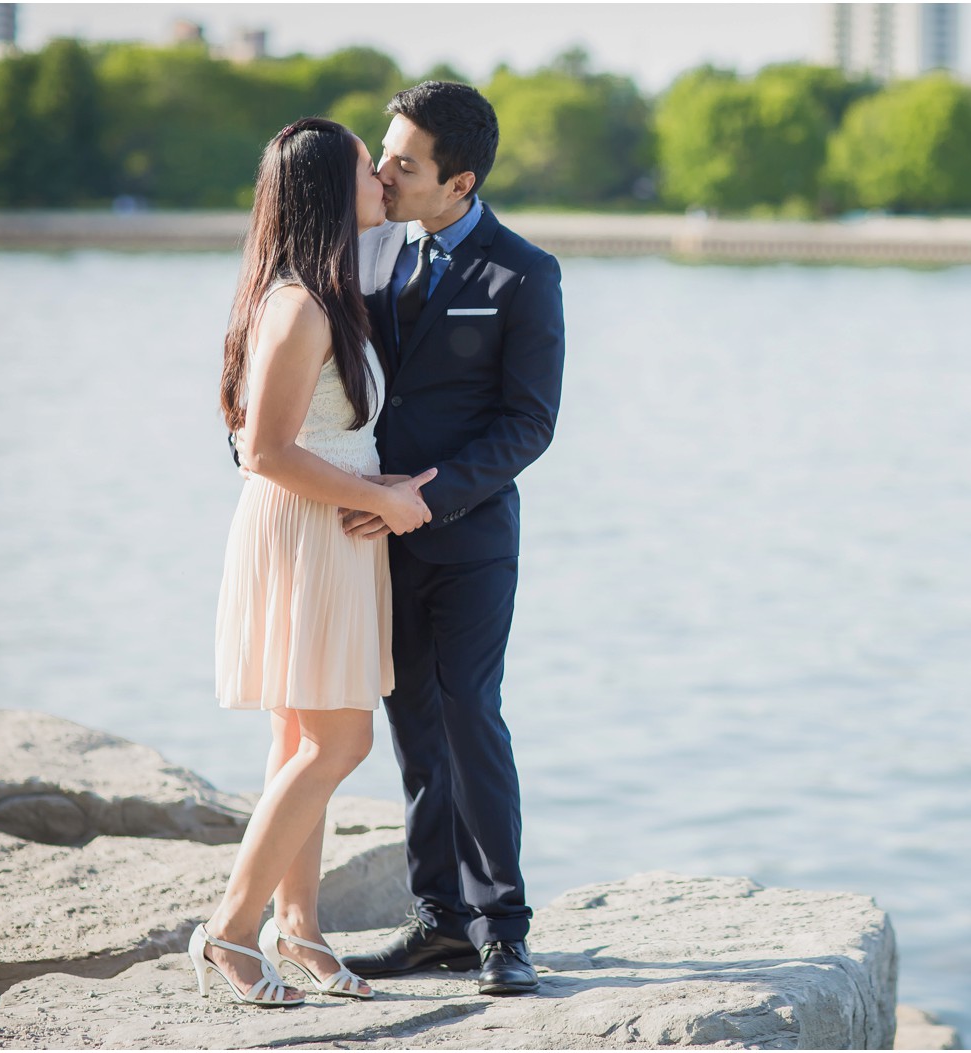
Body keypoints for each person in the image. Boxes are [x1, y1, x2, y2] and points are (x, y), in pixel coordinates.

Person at [196, 117, 439, 1007]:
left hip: (323, 525)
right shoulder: (299, 304)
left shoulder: (316, 293)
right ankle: (230, 927)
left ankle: (299, 930)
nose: (385, 182)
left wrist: (383, 480)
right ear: (336, 196)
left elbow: (321, 436)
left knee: (301, 737)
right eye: (372, 172)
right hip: (309, 530)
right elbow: (262, 449)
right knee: (344, 737)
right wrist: (382, 498)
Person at [338, 81, 565, 997]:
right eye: (386, 154)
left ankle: (503, 928)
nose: (384, 171)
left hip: (471, 540)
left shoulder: (524, 272)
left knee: (470, 714)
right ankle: (437, 921)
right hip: (370, 539)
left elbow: (529, 424)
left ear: (460, 181)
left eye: (403, 161)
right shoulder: (375, 253)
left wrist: (424, 498)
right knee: (411, 726)